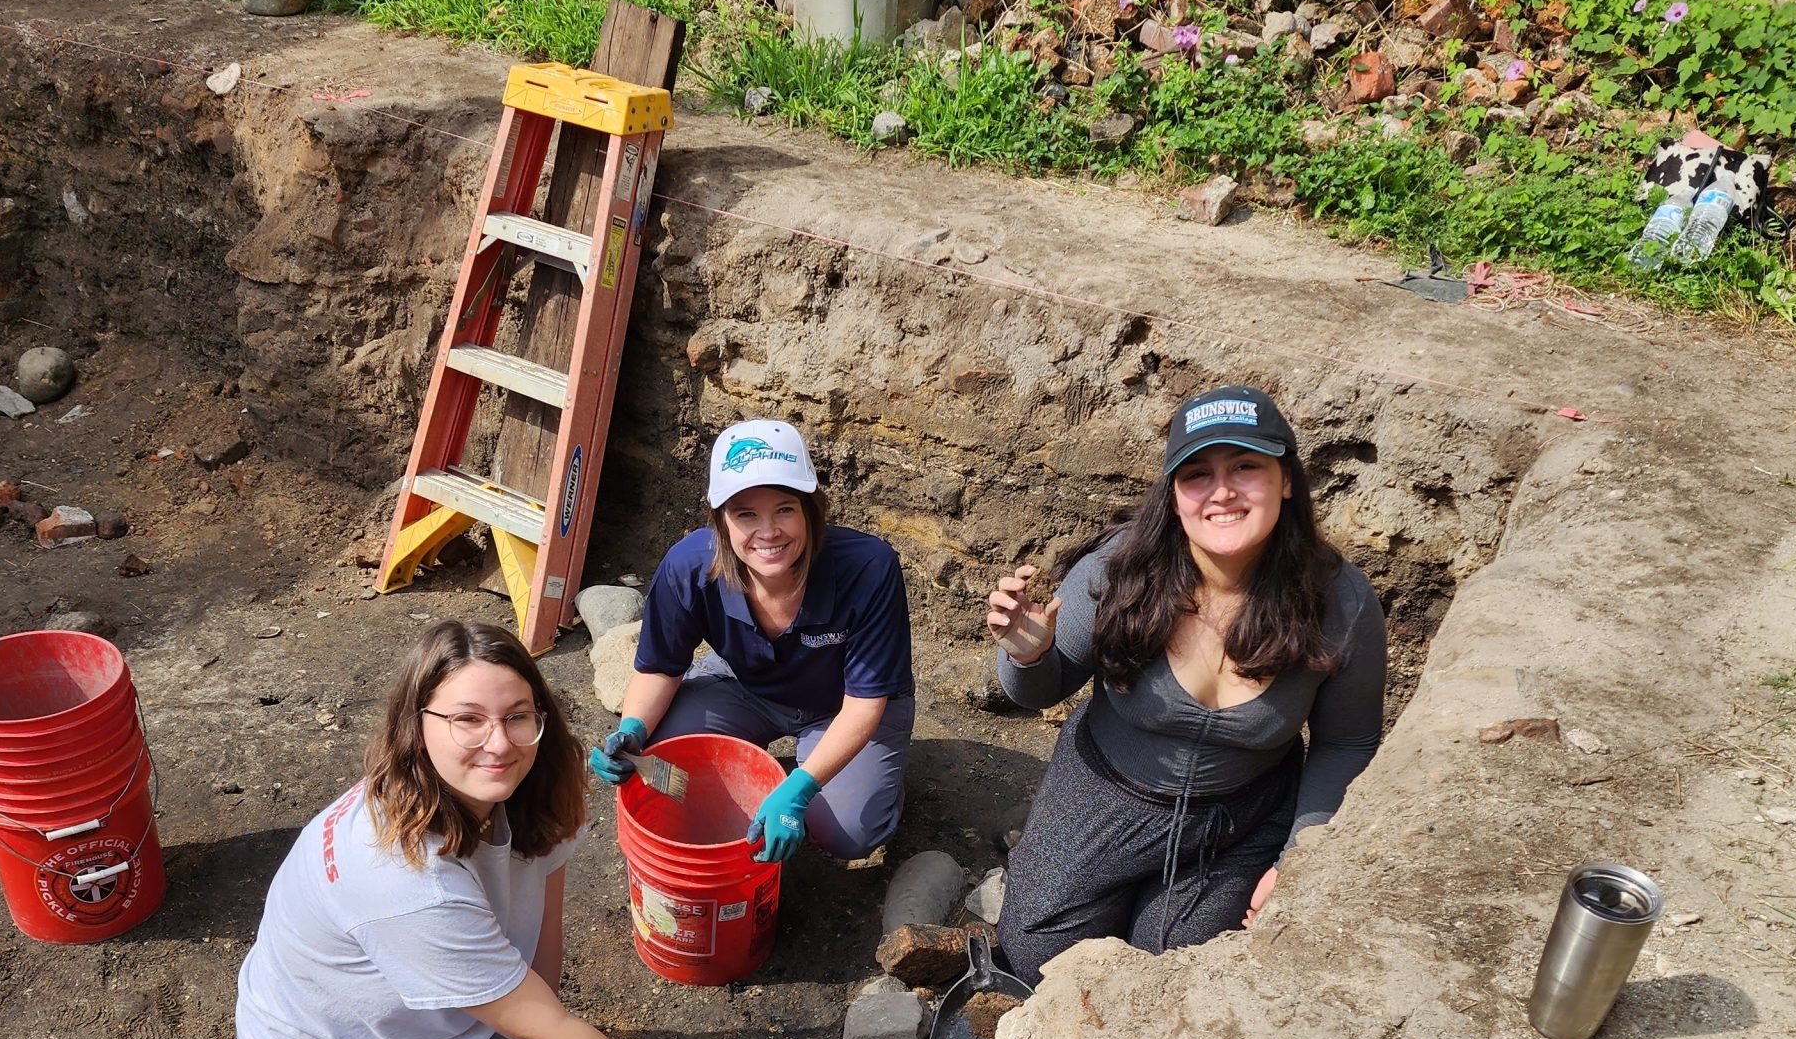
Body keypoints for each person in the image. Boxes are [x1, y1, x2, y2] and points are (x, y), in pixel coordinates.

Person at [230, 618, 741, 1039]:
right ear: (418, 725)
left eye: (517, 716)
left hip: (451, 1018)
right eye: (467, 719)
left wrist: (537, 1020)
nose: (499, 743)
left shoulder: (537, 784)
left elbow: (542, 906)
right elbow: (548, 1029)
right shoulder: (404, 877)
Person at [986, 384, 1387, 980]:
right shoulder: (1118, 572)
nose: (1221, 491)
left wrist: (1299, 856)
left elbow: (1345, 743)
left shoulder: (1342, 604)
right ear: (1173, 496)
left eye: (1246, 466)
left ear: (1287, 480)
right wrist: (1027, 655)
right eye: (1197, 474)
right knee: (1036, 962)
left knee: (1175, 975)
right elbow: (1037, 692)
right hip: (1103, 796)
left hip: (1237, 820)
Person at [591, 420, 915, 862]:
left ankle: (869, 781)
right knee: (663, 768)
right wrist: (632, 730)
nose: (769, 532)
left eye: (785, 509)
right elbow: (661, 667)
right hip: (746, 686)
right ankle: (778, 771)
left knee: (848, 834)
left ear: (810, 511)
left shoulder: (868, 569)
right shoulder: (689, 567)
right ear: (720, 520)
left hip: (845, 703)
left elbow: (864, 704)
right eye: (746, 514)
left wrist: (800, 789)